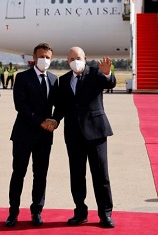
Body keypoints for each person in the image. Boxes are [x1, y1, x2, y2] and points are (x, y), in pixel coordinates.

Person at [52, 46, 116, 228]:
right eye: (71, 59)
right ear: (67, 62)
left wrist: (107, 74)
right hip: (73, 135)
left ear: (85, 58)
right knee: (77, 176)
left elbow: (109, 83)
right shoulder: (63, 81)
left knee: (101, 175)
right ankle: (80, 212)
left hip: (96, 133)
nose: (75, 61)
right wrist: (55, 120)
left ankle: (105, 214)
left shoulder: (96, 73)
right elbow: (61, 107)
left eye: (78, 57)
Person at [5, 43, 58, 227]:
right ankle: (13, 212)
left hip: (44, 137)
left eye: (48, 57)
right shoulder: (22, 77)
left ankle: (37, 211)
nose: (45, 60)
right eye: (42, 56)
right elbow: (21, 106)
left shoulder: (53, 79)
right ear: (34, 58)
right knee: (18, 173)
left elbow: (57, 106)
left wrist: (54, 121)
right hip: (23, 134)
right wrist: (40, 121)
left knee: (40, 175)